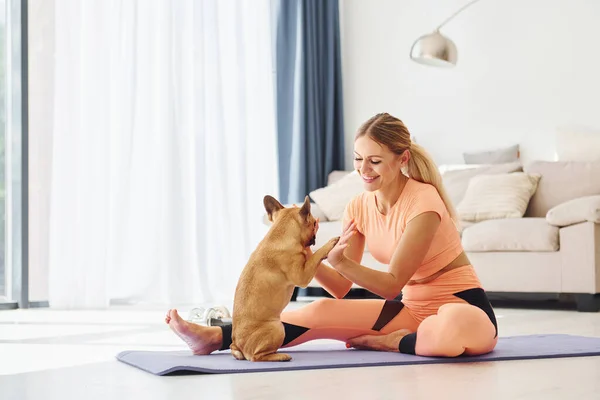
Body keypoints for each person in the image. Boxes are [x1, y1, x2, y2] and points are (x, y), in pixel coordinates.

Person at [165, 112, 498, 357]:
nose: (364, 171)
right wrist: (300, 255)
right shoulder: (358, 207)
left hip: (462, 307)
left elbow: (392, 284)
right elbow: (340, 288)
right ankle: (215, 337)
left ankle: (392, 342)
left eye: (375, 161)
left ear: (402, 159)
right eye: (358, 160)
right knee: (318, 311)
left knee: (449, 329)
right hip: (410, 313)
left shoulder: (423, 202)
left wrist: (337, 260)